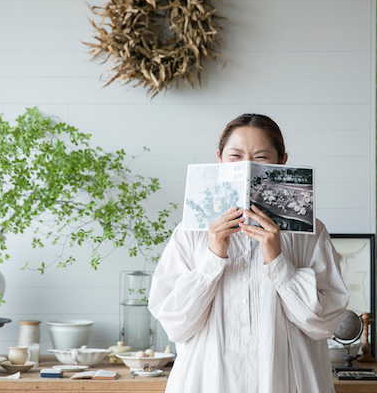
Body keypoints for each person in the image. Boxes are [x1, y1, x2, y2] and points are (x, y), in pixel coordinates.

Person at [148, 114, 349, 393]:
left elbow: (324, 324)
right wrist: (214, 256)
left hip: (288, 381)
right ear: (219, 159)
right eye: (235, 156)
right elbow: (174, 323)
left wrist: (278, 260)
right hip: (207, 381)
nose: (246, 166)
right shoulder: (190, 230)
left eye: (261, 158)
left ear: (283, 162)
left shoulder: (310, 232)